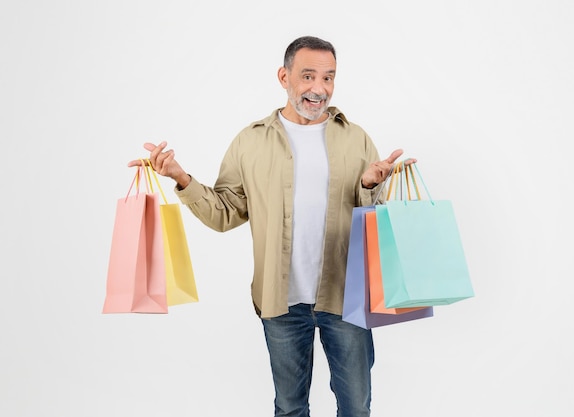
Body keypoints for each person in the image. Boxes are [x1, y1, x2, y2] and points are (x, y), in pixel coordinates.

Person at [130, 35, 413, 417]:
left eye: (329, 78)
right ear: (284, 76)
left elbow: (374, 220)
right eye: (308, 76)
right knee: (290, 407)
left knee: (356, 406)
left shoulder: (356, 137)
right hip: (280, 302)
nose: (319, 88)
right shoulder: (251, 142)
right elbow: (225, 213)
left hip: (346, 297)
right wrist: (182, 178)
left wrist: (370, 186)